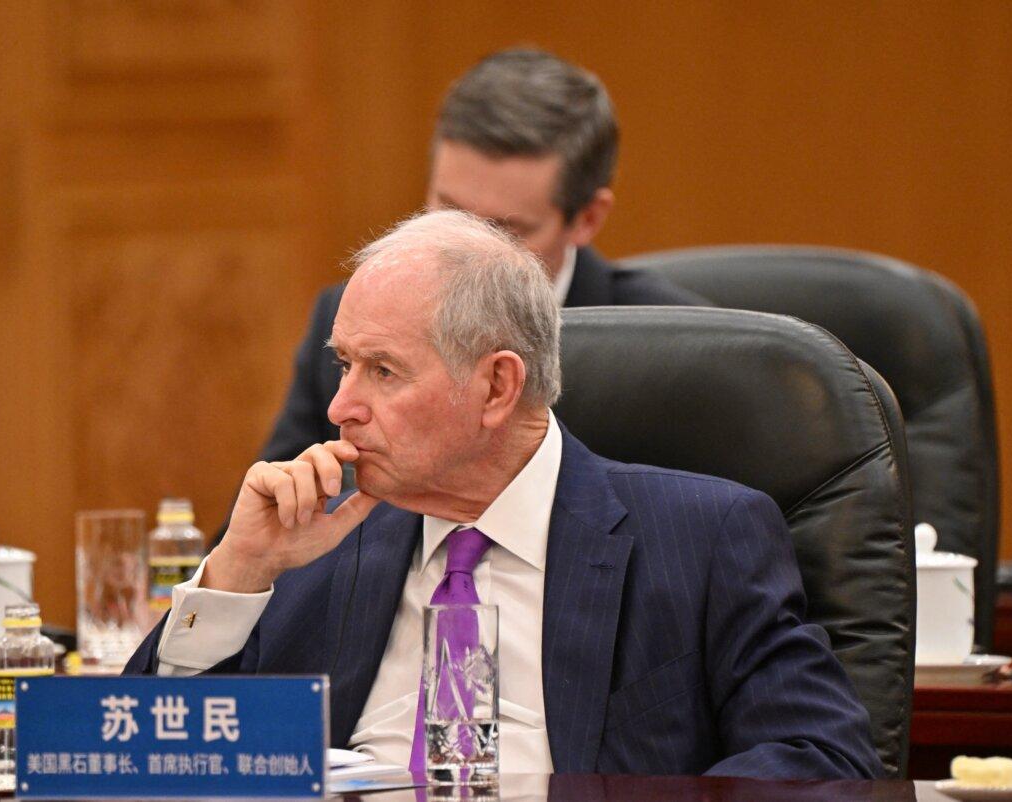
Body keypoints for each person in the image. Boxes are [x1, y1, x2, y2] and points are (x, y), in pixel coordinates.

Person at [125, 210, 882, 780]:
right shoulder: (315, 540)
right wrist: (237, 575)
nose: (340, 408)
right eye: (344, 364)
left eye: (382, 372)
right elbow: (150, 757)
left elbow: (822, 762)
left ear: (497, 385)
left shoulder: (704, 539)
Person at [248, 48, 709, 491]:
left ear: (587, 218)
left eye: (505, 230)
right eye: (447, 211)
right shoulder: (360, 326)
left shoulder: (680, 351)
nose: (465, 249)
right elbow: (267, 523)